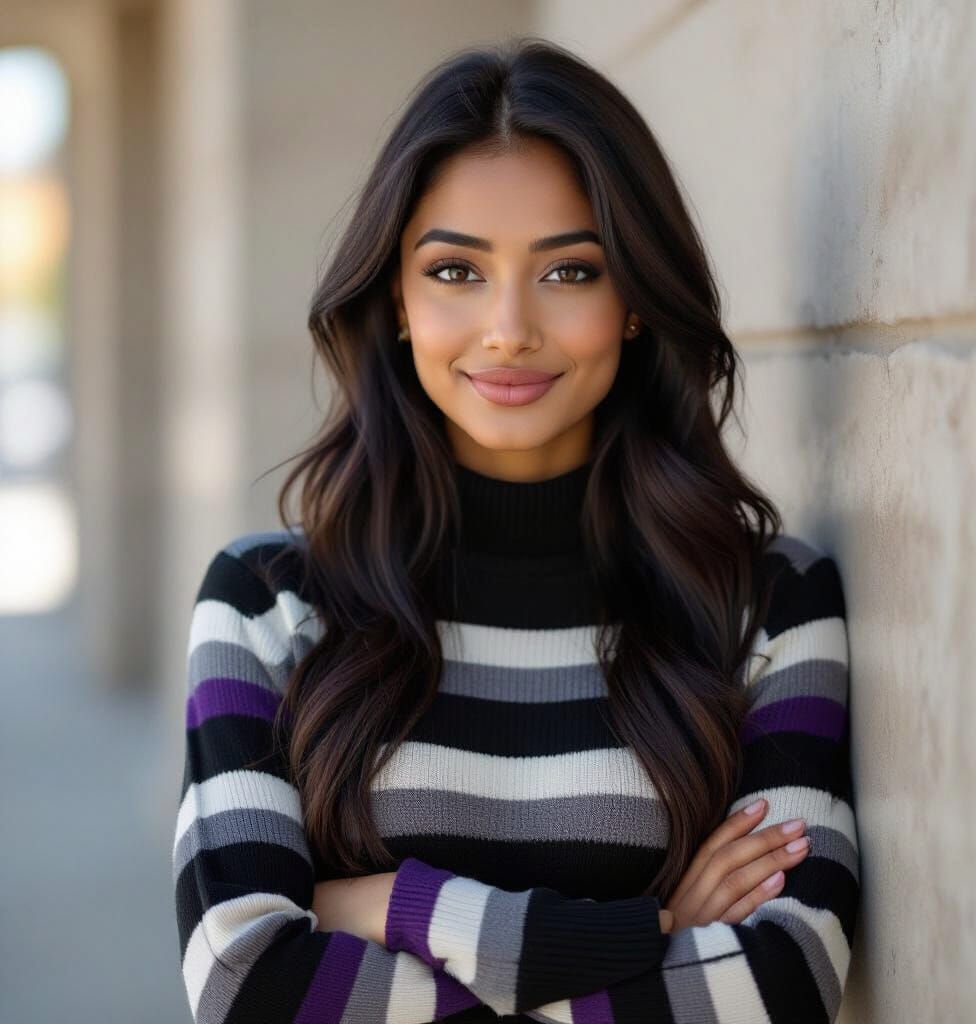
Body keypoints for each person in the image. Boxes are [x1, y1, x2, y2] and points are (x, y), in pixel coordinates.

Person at [172, 36, 860, 1024]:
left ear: (632, 302)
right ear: (397, 301)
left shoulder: (766, 600)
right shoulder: (267, 603)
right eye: (455, 270)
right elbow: (247, 990)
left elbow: (781, 983)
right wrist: (654, 927)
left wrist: (375, 906)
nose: (507, 328)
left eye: (570, 272)